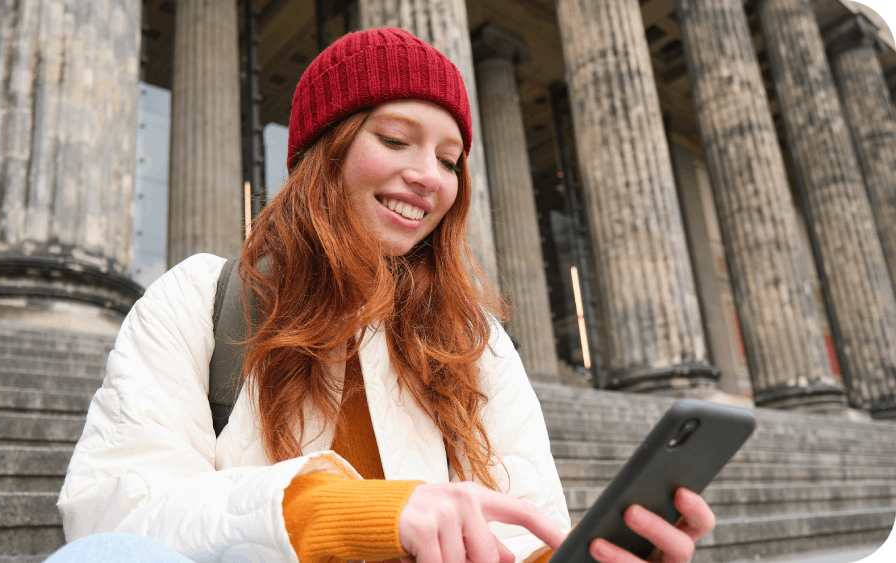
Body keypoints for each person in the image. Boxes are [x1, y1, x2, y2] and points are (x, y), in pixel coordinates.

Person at [54, 27, 715, 563]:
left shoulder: (474, 341)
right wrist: (344, 512)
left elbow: (523, 533)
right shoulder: (200, 297)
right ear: (324, 150)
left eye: (451, 158)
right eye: (396, 139)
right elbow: (113, 514)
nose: (429, 176)